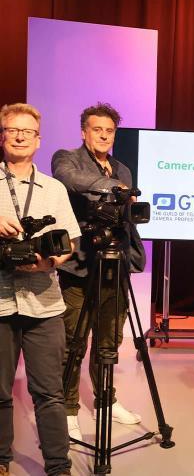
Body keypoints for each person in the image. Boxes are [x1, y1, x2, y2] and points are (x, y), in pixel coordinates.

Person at [51, 102, 146, 441]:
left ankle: (106, 401)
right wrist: (110, 189)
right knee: (74, 342)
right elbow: (70, 180)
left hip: (115, 263)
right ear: (84, 132)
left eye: (109, 131)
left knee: (109, 341)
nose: (104, 135)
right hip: (80, 266)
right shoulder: (67, 158)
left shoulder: (122, 168)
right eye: (97, 129)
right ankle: (68, 407)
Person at [0, 103, 80, 476]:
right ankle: (1, 459)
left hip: (44, 303)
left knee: (49, 393)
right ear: (3, 136)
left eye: (27, 131)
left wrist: (48, 262)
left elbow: (69, 242)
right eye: (13, 130)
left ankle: (58, 466)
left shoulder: (54, 188)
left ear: (38, 140)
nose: (19, 136)